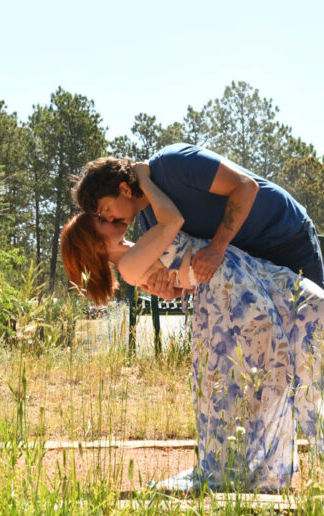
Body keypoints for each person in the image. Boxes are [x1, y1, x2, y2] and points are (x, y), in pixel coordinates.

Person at [62, 163, 324, 492]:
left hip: (244, 271)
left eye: (103, 213)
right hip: (227, 287)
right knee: (272, 367)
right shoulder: (129, 266)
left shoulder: (136, 249)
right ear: (96, 245)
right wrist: (143, 177)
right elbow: (173, 221)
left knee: (316, 312)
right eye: (100, 221)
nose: (110, 219)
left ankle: (266, 467)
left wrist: (171, 282)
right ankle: (264, 471)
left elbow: (172, 282)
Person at [72, 143, 324, 296]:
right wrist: (171, 291)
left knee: (318, 332)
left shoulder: (173, 163)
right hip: (253, 265)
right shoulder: (151, 222)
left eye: (106, 209)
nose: (109, 219)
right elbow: (193, 277)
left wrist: (217, 247)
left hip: (286, 235)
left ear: (125, 189)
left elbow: (246, 187)